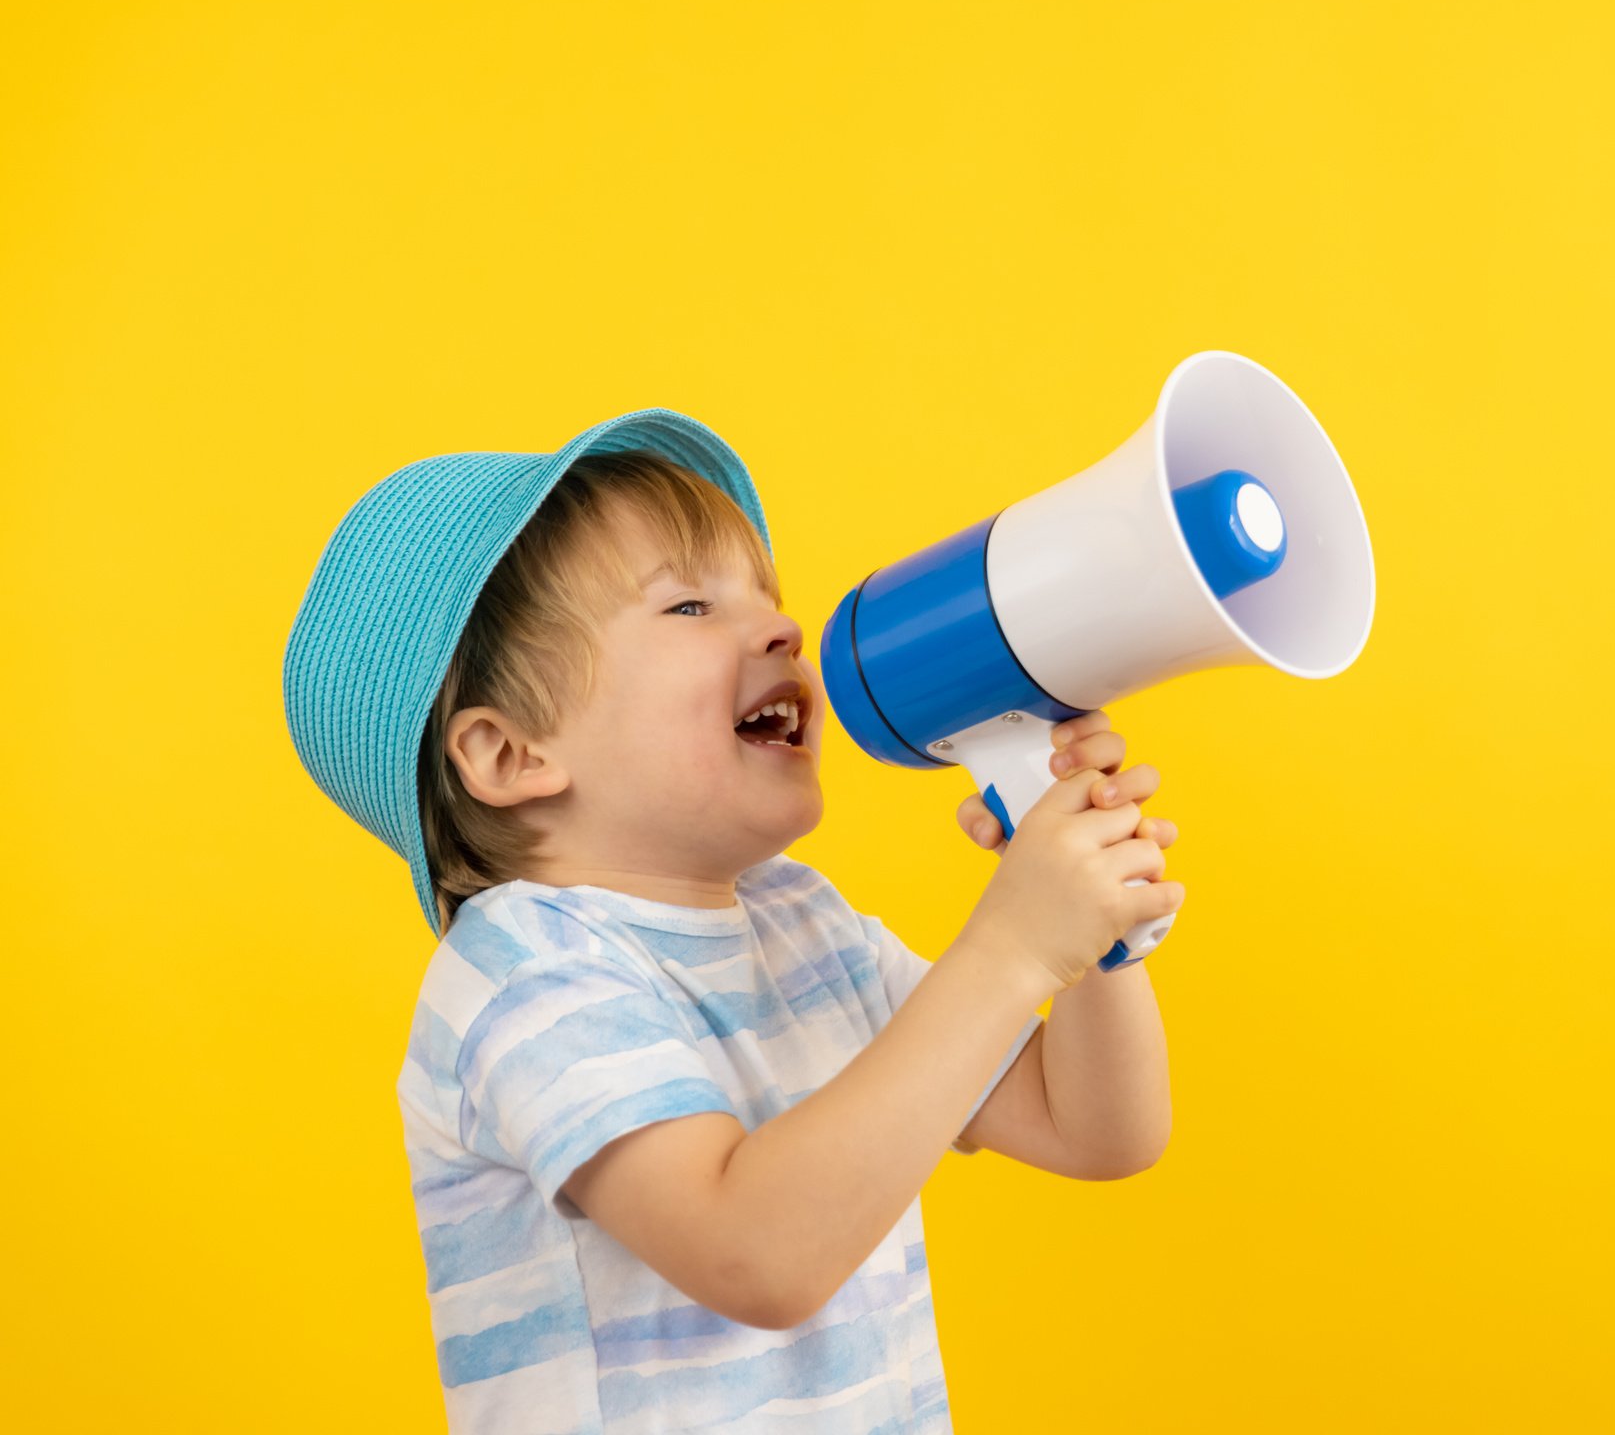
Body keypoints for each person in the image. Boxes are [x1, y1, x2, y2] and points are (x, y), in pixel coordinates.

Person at [281, 408, 1184, 1432]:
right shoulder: (521, 970)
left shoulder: (805, 922)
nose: (784, 629)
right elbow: (755, 1253)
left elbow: (1098, 1127)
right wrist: (1015, 943)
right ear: (508, 756)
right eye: (688, 606)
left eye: (769, 595)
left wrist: (1093, 927)